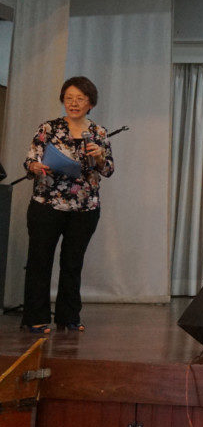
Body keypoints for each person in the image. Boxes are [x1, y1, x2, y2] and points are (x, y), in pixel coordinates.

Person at [21, 76, 115, 333]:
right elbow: (29, 161)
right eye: (69, 97)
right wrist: (36, 166)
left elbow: (108, 169)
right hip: (47, 203)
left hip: (84, 208)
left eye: (80, 99)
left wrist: (99, 157)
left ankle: (69, 317)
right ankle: (36, 317)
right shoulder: (48, 129)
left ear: (90, 103)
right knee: (40, 260)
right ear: (63, 99)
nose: (74, 103)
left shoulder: (98, 133)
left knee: (73, 262)